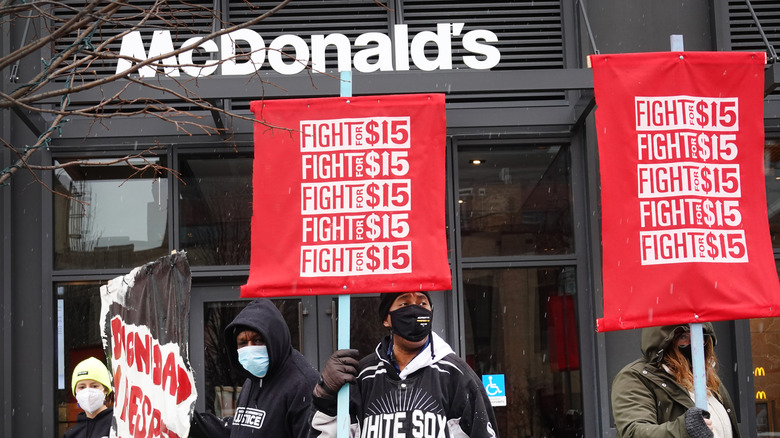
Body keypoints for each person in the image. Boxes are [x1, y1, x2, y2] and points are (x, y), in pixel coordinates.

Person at [310, 291, 499, 437]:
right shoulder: (364, 376)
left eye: (422, 303)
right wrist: (325, 395)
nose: (415, 310)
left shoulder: (456, 375)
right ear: (386, 318)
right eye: (404, 303)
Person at [190, 298, 319, 438]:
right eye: (242, 342)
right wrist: (190, 421)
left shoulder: (303, 384)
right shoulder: (254, 379)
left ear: (273, 337)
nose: (250, 349)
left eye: (257, 340)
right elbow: (241, 430)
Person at [611, 323, 741, 438]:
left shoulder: (706, 378)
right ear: (665, 341)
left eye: (699, 334)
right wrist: (682, 430)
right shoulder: (636, 377)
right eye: (683, 336)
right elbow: (634, 433)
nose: (693, 343)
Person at [62, 356, 113, 438]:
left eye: (94, 386)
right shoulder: (71, 435)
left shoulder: (118, 425)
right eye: (82, 387)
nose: (88, 391)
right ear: (75, 392)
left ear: (105, 390)